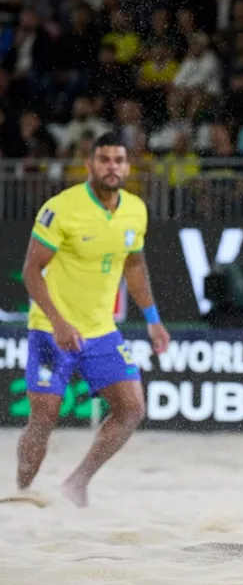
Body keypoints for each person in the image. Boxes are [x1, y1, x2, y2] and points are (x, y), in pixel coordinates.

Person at [18, 131, 171, 508]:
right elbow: (31, 271)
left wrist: (152, 318)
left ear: (128, 166)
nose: (112, 167)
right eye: (104, 160)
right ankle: (20, 491)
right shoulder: (62, 207)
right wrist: (58, 321)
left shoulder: (135, 208)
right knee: (44, 418)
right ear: (89, 165)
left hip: (101, 329)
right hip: (50, 329)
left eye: (118, 160)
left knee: (132, 409)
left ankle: (77, 482)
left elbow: (134, 265)